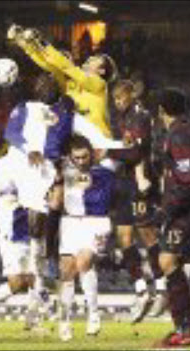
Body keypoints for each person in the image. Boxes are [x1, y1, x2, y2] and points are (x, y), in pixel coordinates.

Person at [0, 74, 123, 319]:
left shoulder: (69, 115)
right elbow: (11, 133)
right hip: (15, 159)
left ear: (56, 90)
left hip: (41, 169)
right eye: (39, 82)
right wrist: (30, 149)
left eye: (48, 83)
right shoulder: (24, 107)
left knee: (37, 222)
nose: (43, 84)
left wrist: (122, 144)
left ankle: (41, 273)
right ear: (35, 88)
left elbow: (98, 138)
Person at [106, 80, 165, 322]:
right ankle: (141, 289)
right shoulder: (118, 118)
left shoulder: (141, 116)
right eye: (115, 99)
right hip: (123, 182)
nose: (117, 102)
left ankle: (161, 288)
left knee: (148, 234)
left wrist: (108, 151)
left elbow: (136, 153)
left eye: (121, 98)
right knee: (123, 238)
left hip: (141, 182)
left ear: (131, 95)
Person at [153, 88, 190, 347]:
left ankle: (185, 327)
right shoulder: (185, 130)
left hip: (185, 208)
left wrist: (168, 209)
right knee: (170, 261)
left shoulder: (179, 134)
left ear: (161, 110)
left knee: (167, 260)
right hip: (186, 206)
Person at [7, 24, 118, 138]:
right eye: (92, 57)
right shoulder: (71, 84)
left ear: (102, 71)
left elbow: (66, 67)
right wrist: (24, 42)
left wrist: (43, 42)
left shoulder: (99, 84)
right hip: (79, 141)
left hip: (99, 139)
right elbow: (49, 65)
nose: (90, 58)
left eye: (95, 59)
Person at [55, 135, 115, 341]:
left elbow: (130, 150)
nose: (81, 161)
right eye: (76, 158)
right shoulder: (64, 171)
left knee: (84, 262)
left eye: (84, 157)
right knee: (67, 272)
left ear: (92, 153)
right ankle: (64, 320)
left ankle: (93, 313)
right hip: (70, 223)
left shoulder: (105, 169)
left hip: (97, 222)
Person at [0, 193, 44, 330]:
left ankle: (32, 321)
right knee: (17, 284)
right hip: (11, 242)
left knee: (35, 280)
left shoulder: (34, 189)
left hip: (33, 240)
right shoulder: (1, 196)